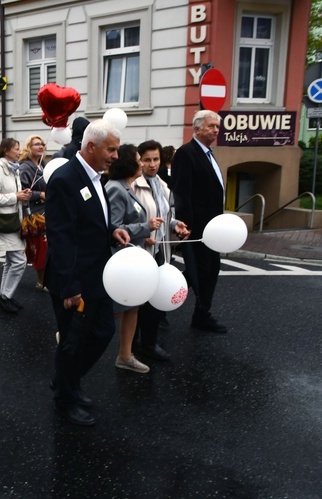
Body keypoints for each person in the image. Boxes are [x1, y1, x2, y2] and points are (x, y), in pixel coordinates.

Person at [45, 119, 130, 426]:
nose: (116, 156)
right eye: (111, 149)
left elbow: (91, 221)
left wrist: (112, 232)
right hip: (75, 281)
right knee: (72, 341)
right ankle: (64, 399)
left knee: (103, 332)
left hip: (98, 276)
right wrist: (70, 287)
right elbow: (61, 236)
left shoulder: (95, 177)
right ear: (91, 147)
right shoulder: (66, 179)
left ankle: (66, 379)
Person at [104, 144, 164, 374]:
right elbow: (114, 228)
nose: (142, 164)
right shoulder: (116, 189)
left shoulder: (126, 187)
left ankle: (125, 356)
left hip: (132, 257)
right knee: (115, 309)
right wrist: (145, 227)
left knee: (132, 307)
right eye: (139, 159)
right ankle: (74, 331)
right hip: (122, 261)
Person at [170, 110, 227, 334]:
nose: (215, 130)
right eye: (211, 126)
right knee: (199, 271)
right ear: (197, 128)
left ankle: (201, 313)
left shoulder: (208, 153)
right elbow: (182, 191)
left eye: (217, 126)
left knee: (210, 269)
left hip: (214, 228)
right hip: (197, 228)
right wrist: (186, 224)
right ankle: (161, 303)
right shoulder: (186, 153)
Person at [133, 140, 189, 361]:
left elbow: (165, 214)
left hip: (160, 250)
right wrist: (142, 235)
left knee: (154, 300)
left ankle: (147, 343)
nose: (152, 164)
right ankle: (137, 345)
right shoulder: (134, 185)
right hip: (141, 251)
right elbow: (129, 219)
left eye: (156, 159)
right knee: (141, 301)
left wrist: (175, 225)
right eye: (147, 160)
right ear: (140, 161)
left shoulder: (161, 184)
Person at [0, 138, 31, 314]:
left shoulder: (14, 168)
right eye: (16, 149)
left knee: (11, 261)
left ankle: (5, 296)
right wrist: (15, 197)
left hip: (14, 220)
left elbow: (13, 193)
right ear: (6, 151)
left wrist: (22, 195)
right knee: (20, 261)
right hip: (4, 222)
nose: (19, 152)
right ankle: (5, 297)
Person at [18, 135, 48, 292]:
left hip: (47, 211)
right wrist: (40, 195)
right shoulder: (25, 167)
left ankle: (46, 279)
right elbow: (22, 192)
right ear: (29, 147)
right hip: (34, 214)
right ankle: (41, 281)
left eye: (42, 144)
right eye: (37, 144)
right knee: (40, 247)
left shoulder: (44, 164)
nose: (41, 146)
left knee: (48, 247)